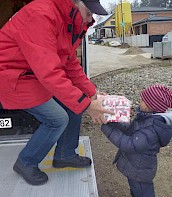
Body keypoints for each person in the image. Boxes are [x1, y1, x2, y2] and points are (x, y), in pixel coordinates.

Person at [0, 0, 113, 186]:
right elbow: (49, 72)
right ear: (76, 4)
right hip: (12, 76)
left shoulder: (67, 21)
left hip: (33, 75)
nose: (91, 18)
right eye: (89, 12)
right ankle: (26, 162)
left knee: (75, 104)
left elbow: (69, 64)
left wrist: (91, 93)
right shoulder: (41, 14)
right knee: (58, 119)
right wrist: (86, 105)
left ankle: (64, 155)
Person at [101, 84, 172, 197]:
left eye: (143, 100)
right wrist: (112, 122)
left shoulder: (152, 130)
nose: (139, 101)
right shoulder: (148, 118)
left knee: (143, 194)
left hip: (139, 171)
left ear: (151, 105)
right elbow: (131, 129)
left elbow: (129, 144)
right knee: (137, 191)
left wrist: (107, 128)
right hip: (136, 167)